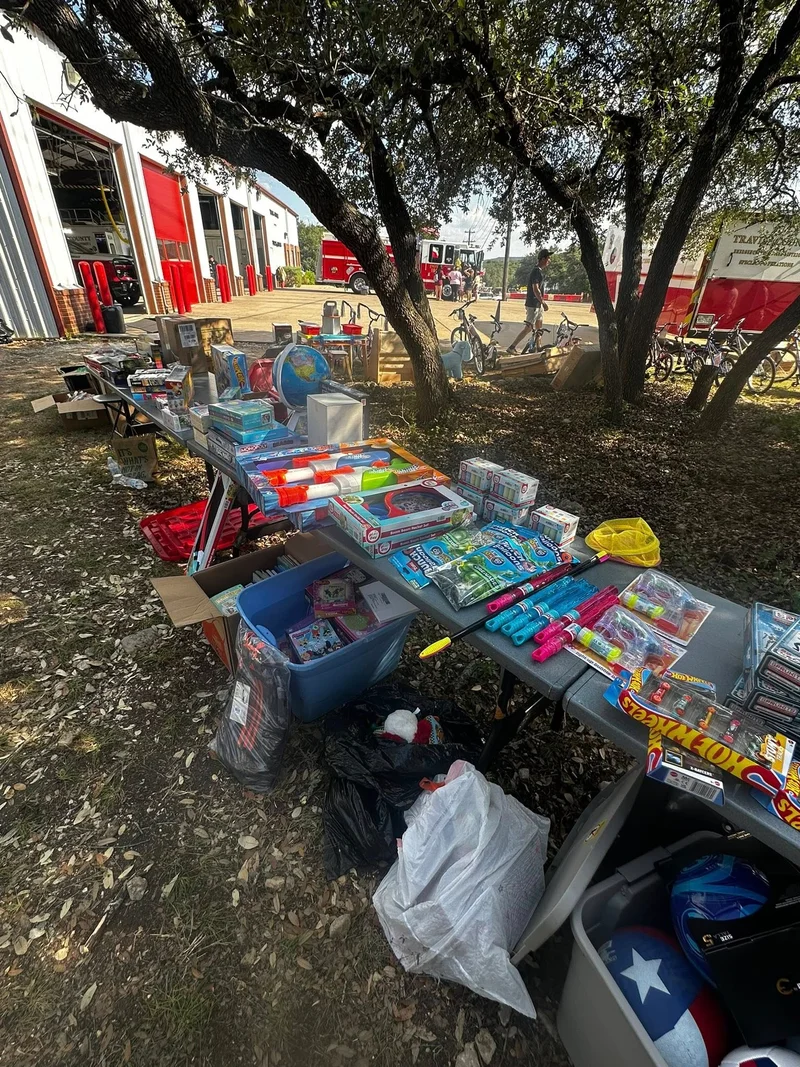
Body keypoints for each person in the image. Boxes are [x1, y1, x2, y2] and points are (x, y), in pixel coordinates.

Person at [507, 250, 551, 353]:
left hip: (537, 304)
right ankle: (512, 347)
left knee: (539, 326)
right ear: (543, 259)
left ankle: (539, 348)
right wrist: (543, 302)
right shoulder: (536, 272)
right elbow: (535, 289)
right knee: (529, 327)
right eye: (548, 258)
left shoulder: (539, 271)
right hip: (533, 304)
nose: (549, 261)